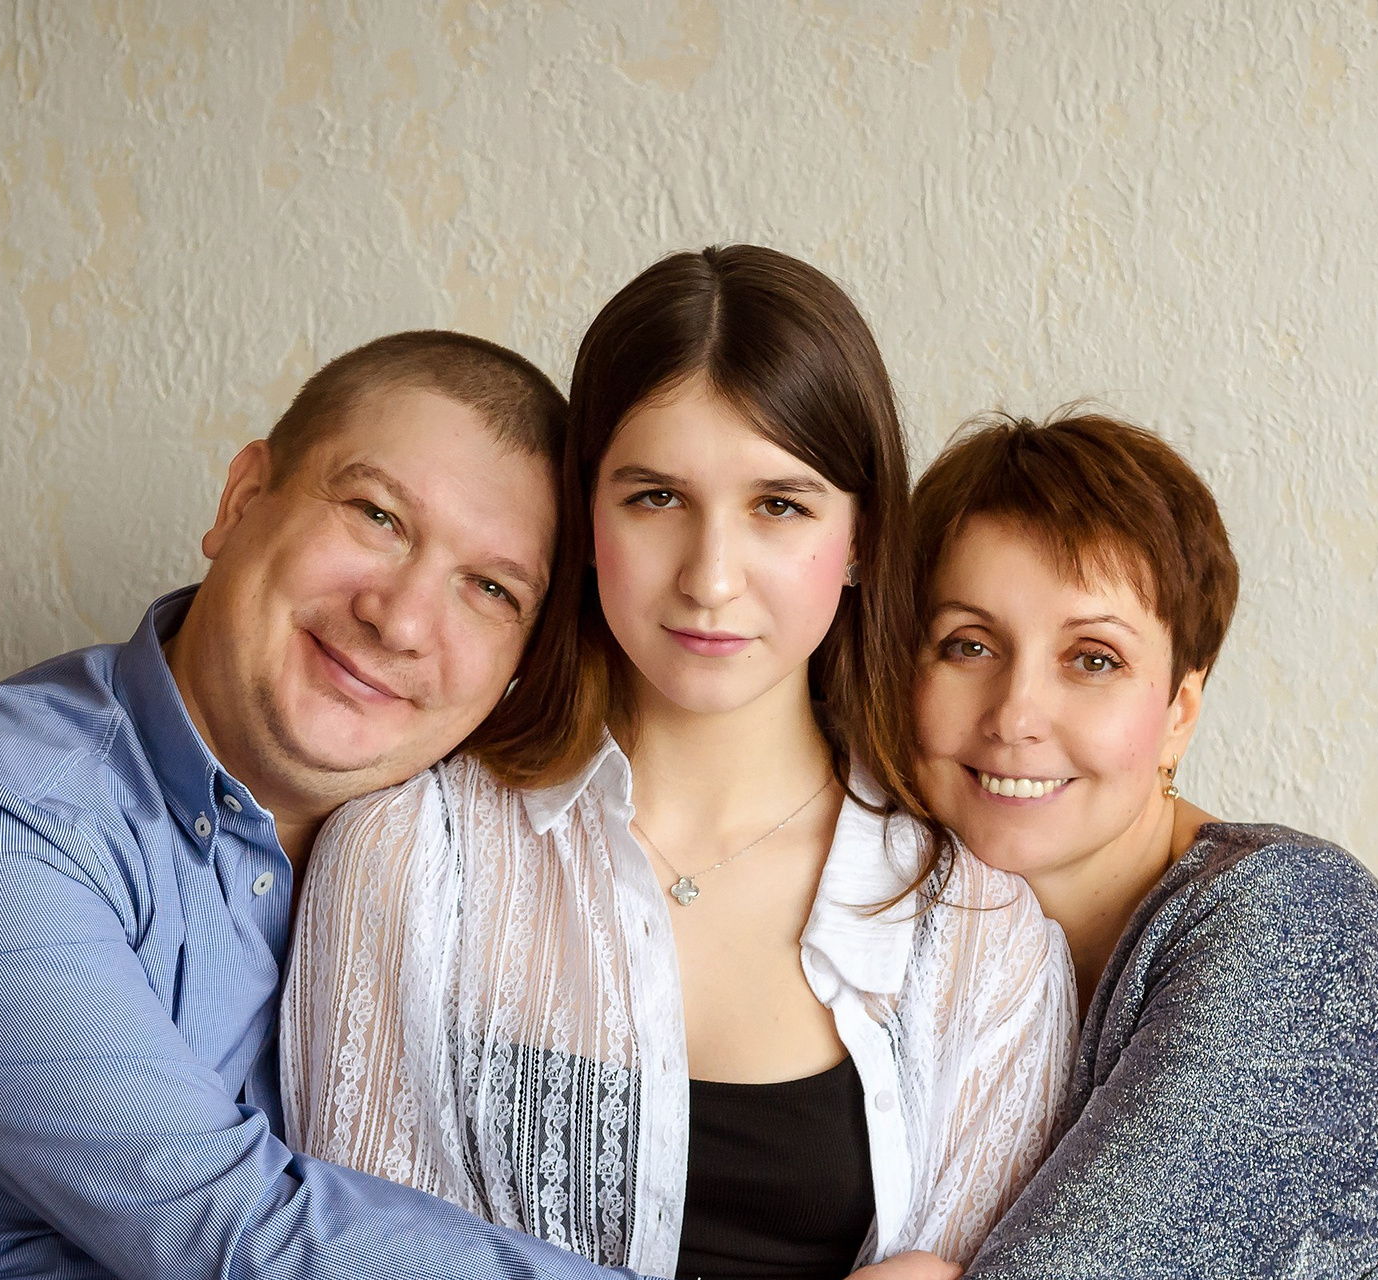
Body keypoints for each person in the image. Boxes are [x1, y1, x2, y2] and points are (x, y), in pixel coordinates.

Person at [0, 332, 652, 1280]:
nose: (402, 618)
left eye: (491, 589)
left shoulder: (445, 874)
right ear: (242, 499)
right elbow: (230, 1233)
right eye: (377, 515)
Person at [279, 247, 1075, 1280]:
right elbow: (352, 1258)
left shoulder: (976, 933)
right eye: (656, 497)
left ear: (862, 537)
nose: (710, 577)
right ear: (586, 519)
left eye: (779, 505)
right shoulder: (409, 857)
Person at [908, 411, 1378, 1278]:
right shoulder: (937, 932)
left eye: (1092, 659)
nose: (1015, 715)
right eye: (969, 644)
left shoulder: (1293, 923)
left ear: (1180, 711)